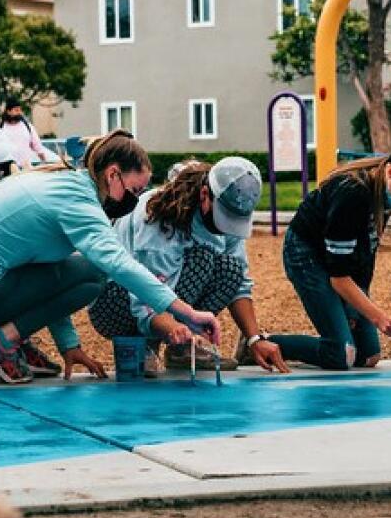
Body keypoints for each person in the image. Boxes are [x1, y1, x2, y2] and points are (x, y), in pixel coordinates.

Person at [0, 129, 219, 384]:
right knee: (94, 273)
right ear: (112, 175)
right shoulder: (79, 203)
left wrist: (69, 346)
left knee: (78, 271)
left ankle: (12, 339)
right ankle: (1, 344)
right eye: (135, 190)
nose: (136, 199)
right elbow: (118, 264)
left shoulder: (63, 181)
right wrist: (187, 312)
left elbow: (51, 277)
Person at [86, 157, 291, 374]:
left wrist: (254, 339)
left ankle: (181, 350)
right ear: (205, 195)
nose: (226, 227)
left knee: (231, 269)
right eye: (224, 217)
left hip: (158, 298)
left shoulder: (228, 209)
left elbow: (239, 285)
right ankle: (144, 345)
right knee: (202, 257)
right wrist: (173, 328)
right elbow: (145, 299)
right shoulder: (158, 217)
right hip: (113, 302)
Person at [273, 143, 391, 370]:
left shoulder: (385, 191)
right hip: (306, 255)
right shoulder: (352, 194)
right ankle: (262, 345)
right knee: (341, 354)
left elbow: (364, 257)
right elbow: (339, 277)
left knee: (368, 356)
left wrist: (355, 308)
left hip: (336, 260)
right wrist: (379, 317)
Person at [0, 97, 49, 170]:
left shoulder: (28, 127)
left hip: (25, 168)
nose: (19, 113)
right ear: (8, 111)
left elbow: (37, 146)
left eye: (20, 110)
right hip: (6, 169)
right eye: (16, 110)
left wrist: (45, 162)